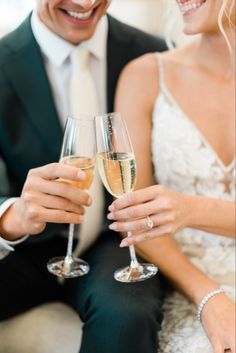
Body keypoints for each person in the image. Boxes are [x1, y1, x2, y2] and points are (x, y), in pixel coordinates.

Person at [0, 1, 168, 352]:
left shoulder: (153, 54)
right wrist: (14, 217)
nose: (85, 3)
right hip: (21, 253)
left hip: (113, 244)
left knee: (126, 316)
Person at [109, 0, 236, 352]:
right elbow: (134, 217)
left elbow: (183, 210)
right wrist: (210, 298)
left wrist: (190, 210)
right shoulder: (145, 75)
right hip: (187, 282)